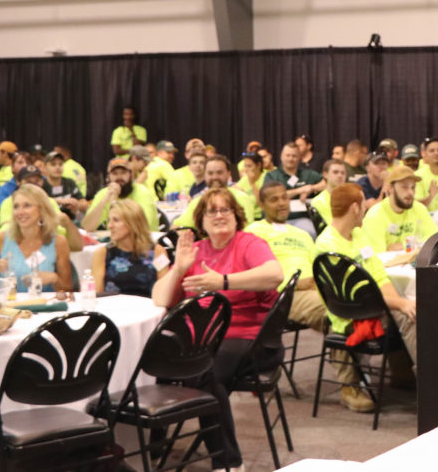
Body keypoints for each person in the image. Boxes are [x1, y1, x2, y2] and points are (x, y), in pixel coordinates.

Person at [151, 186, 283, 472]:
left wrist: (223, 281)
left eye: (225, 210)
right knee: (154, 359)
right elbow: (160, 299)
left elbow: (275, 275)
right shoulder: (194, 251)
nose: (219, 215)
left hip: (250, 336)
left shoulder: (249, 243)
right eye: (212, 211)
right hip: (203, 339)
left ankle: (227, 462)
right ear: (201, 220)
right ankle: (154, 444)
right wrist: (178, 268)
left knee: (203, 371)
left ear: (237, 216)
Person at [246, 182, 374, 412]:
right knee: (340, 309)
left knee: (363, 300)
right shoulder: (255, 232)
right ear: (261, 204)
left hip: (317, 287)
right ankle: (349, 386)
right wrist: (294, 283)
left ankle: (391, 371)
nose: (282, 203)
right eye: (274, 199)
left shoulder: (302, 234)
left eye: (284, 197)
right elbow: (256, 273)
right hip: (287, 293)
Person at [311, 184, 417, 364]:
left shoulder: (359, 234)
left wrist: (401, 303)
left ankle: (409, 374)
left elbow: (379, 275)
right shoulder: (327, 245)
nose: (365, 211)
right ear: (354, 208)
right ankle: (427, 383)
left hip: (373, 305)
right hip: (352, 315)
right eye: (363, 206)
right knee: (412, 317)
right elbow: (357, 296)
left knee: (414, 307)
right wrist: (400, 304)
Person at [0, 184, 73, 293]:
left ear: (41, 210)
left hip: (45, 306)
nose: (20, 212)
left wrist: (54, 278)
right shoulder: (0, 239)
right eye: (16, 207)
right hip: (10, 305)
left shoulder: (58, 242)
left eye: (27, 206)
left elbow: (68, 289)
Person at [91, 200, 167, 297]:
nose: (110, 226)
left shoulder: (158, 252)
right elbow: (98, 295)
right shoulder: (102, 253)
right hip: (113, 309)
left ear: (132, 223)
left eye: (116, 220)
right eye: (109, 220)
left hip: (150, 309)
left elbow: (165, 291)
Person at [361, 165, 438, 255]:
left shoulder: (419, 208)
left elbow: (434, 240)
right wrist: (416, 244)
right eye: (404, 187)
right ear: (390, 188)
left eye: (413, 187)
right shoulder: (375, 216)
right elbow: (379, 256)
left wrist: (404, 245)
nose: (410, 192)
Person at [173, 155, 255, 229]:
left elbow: (246, 229)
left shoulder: (242, 198)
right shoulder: (198, 200)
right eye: (210, 173)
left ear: (229, 174)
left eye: (219, 173)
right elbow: (178, 226)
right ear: (204, 175)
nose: (215, 177)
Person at [82, 158, 160, 231]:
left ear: (130, 175)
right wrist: (105, 199)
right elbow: (87, 227)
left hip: (143, 241)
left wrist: (114, 203)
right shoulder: (104, 193)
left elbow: (143, 225)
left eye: (123, 173)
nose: (119, 177)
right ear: (108, 177)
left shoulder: (142, 192)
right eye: (115, 173)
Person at [264, 142, 323, 236]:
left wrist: (311, 188)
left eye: (294, 156)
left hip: (302, 219)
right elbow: (272, 194)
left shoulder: (308, 174)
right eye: (288, 155)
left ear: (299, 158)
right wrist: (300, 190)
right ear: (281, 156)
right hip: (277, 218)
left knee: (310, 232)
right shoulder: (272, 176)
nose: (291, 159)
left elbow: (325, 182)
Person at [310, 158, 347, 227]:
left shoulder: (351, 199)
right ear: (325, 175)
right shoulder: (317, 202)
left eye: (343, 173)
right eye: (335, 172)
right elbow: (331, 226)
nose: (340, 175)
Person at [233, 151, 265, 220]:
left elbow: (261, 204)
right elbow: (234, 189)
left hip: (260, 217)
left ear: (259, 165)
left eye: (249, 166)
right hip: (246, 215)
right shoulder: (245, 178)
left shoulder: (266, 177)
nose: (246, 169)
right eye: (245, 166)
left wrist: (252, 183)